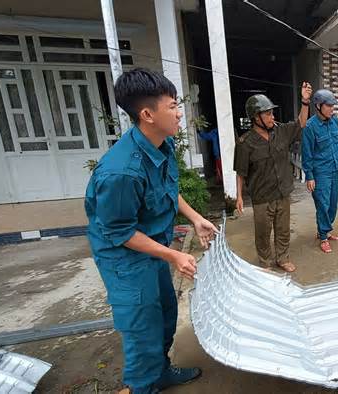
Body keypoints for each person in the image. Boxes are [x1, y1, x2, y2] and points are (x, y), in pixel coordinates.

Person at [85, 68, 218, 394]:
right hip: (125, 257)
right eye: (172, 106)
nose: (178, 113)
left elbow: (167, 189)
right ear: (147, 114)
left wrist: (195, 216)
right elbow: (120, 232)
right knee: (142, 328)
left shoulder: (161, 144)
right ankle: (143, 385)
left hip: (154, 246)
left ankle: (160, 373)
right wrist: (173, 254)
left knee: (165, 313)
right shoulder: (121, 172)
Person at [234, 82, 312, 272]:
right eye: (267, 113)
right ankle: (265, 262)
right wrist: (239, 196)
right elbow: (241, 172)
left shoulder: (281, 131)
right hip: (262, 196)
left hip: (283, 192)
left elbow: (301, 123)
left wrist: (305, 101)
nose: (272, 117)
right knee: (262, 232)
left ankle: (283, 258)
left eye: (271, 113)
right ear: (256, 117)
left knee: (283, 229)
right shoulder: (245, 143)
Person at [301, 89, 338, 253]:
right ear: (318, 106)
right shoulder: (310, 126)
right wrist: (309, 176)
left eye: (333, 106)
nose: (331, 109)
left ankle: (325, 230)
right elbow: (307, 154)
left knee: (333, 205)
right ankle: (323, 236)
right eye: (328, 106)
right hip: (320, 172)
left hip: (334, 169)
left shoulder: (334, 121)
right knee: (322, 204)